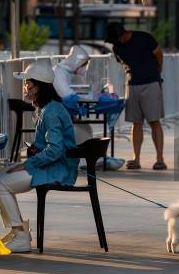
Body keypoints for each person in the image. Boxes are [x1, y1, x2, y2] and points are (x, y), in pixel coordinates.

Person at [0, 59, 78, 252]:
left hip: (57, 170)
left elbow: (55, 150)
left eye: (27, 83)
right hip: (50, 165)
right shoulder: (46, 108)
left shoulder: (50, 112)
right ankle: (19, 231)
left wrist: (27, 164)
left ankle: (21, 236)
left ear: (39, 86)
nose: (25, 87)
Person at [105, 22, 165, 170]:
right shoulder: (116, 47)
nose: (117, 42)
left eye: (118, 38)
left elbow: (158, 53)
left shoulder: (144, 38)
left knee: (154, 121)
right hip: (132, 85)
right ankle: (136, 158)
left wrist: (157, 71)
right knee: (135, 122)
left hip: (150, 83)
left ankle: (160, 159)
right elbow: (123, 64)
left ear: (123, 33)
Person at [53, 45, 92, 144]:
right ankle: (84, 157)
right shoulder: (59, 72)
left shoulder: (65, 72)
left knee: (87, 128)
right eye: (84, 65)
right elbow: (67, 96)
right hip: (57, 115)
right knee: (82, 131)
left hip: (63, 113)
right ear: (77, 62)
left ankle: (92, 157)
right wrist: (87, 97)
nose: (85, 68)